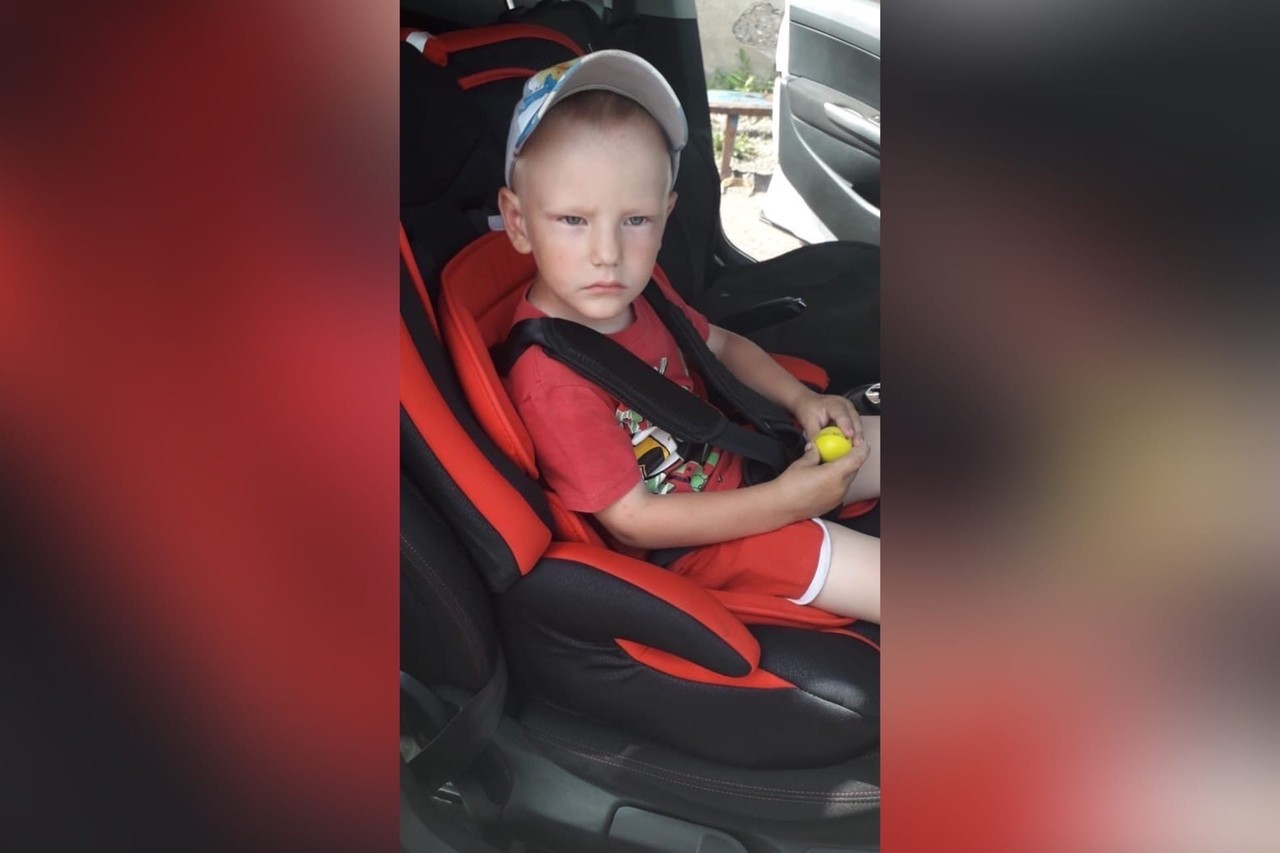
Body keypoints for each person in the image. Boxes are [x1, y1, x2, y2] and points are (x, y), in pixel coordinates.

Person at [497, 51, 880, 623]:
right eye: (573, 220)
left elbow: (720, 345)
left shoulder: (642, 287)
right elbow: (633, 520)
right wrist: (784, 503)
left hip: (744, 458)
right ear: (518, 222)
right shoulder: (551, 380)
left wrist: (801, 401)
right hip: (695, 546)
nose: (607, 254)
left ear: (666, 213)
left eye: (636, 220)